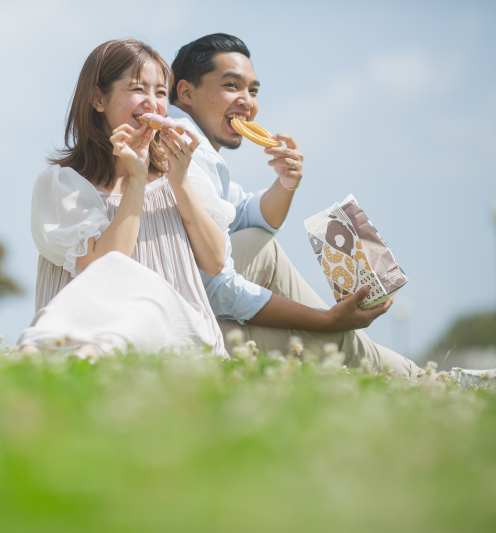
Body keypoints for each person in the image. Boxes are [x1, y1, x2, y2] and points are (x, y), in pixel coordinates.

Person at [166, 33, 424, 376]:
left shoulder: (199, 152)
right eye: (232, 85)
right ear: (185, 92)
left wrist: (285, 183)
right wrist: (324, 320)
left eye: (253, 90)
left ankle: (406, 372)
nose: (247, 101)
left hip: (191, 305)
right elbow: (218, 288)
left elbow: (245, 214)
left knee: (258, 243)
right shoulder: (182, 149)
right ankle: (418, 377)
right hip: (181, 325)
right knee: (312, 327)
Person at [18, 39, 234, 357]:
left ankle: (46, 355)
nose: (152, 103)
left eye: (160, 92)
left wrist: (179, 179)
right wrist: (136, 178)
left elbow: (215, 262)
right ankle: (55, 356)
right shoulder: (61, 185)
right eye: (137, 89)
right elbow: (105, 269)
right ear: (98, 99)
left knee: (146, 305)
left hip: (177, 334)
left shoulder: (183, 175)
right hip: (87, 330)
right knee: (114, 314)